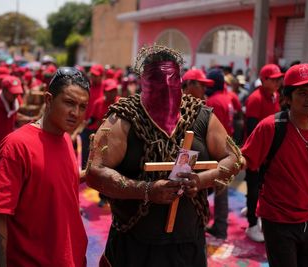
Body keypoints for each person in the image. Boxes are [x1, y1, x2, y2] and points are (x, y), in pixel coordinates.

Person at [85, 45, 243, 267]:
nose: (167, 88)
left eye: (173, 81)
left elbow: (234, 158)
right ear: (143, 83)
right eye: (158, 82)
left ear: (180, 81)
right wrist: (146, 190)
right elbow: (94, 172)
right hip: (135, 245)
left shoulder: (201, 116)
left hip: (187, 244)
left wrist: (201, 180)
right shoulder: (122, 119)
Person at [0, 67, 89, 266]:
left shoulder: (66, 139)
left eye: (82, 107)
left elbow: (56, 182)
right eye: (69, 103)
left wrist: (90, 174)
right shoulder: (16, 147)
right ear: (48, 100)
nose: (75, 113)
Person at [241, 63, 308, 267]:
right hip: (277, 220)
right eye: (303, 93)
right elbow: (242, 160)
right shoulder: (270, 127)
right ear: (287, 98)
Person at [243, 63, 283, 242]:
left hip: (270, 152)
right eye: (273, 79)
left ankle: (253, 210)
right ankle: (251, 224)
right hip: (256, 152)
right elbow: (251, 128)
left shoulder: (275, 96)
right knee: (253, 188)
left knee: (262, 187)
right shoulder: (255, 98)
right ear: (264, 79)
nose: (277, 82)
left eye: (278, 79)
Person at [204, 68, 236, 240]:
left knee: (211, 187)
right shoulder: (227, 98)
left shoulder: (214, 101)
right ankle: (220, 225)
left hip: (216, 149)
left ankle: (218, 226)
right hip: (227, 147)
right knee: (220, 188)